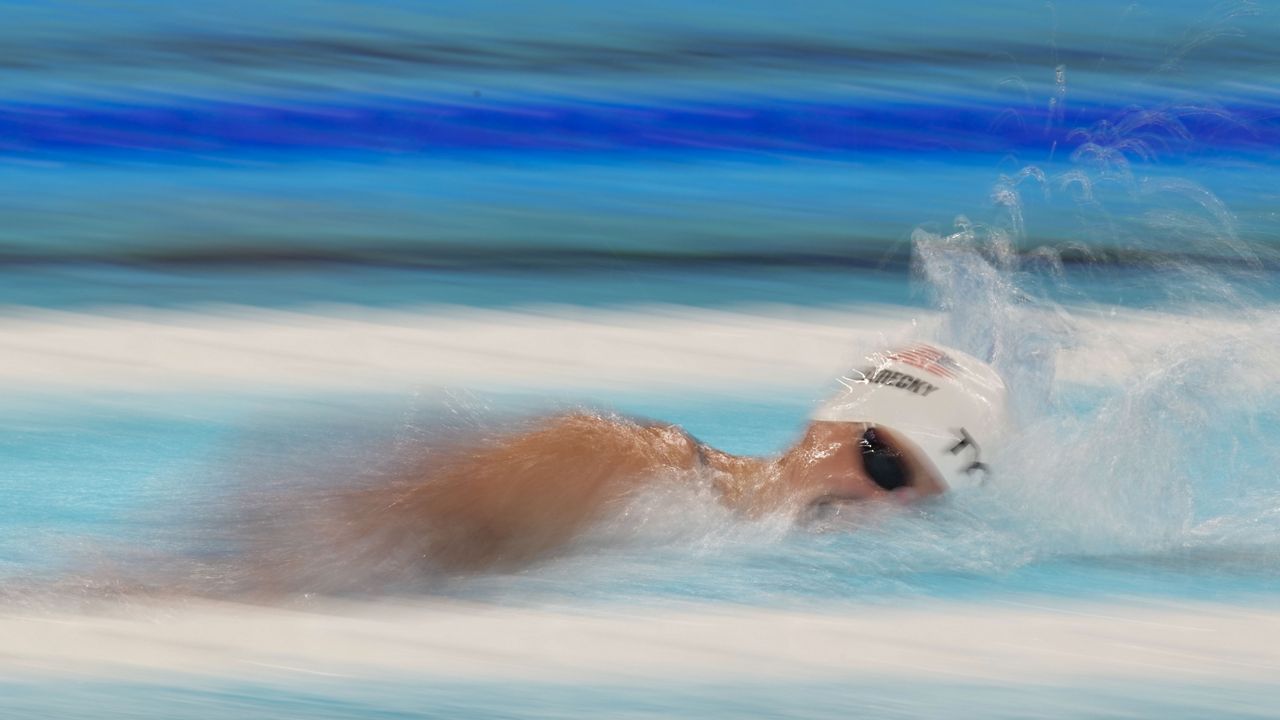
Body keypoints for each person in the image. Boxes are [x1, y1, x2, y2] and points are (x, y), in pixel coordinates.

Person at [332, 342, 1009, 574]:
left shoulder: (729, 539)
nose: (885, 504)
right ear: (825, 426)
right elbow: (367, 542)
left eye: (919, 500)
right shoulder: (628, 463)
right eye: (886, 463)